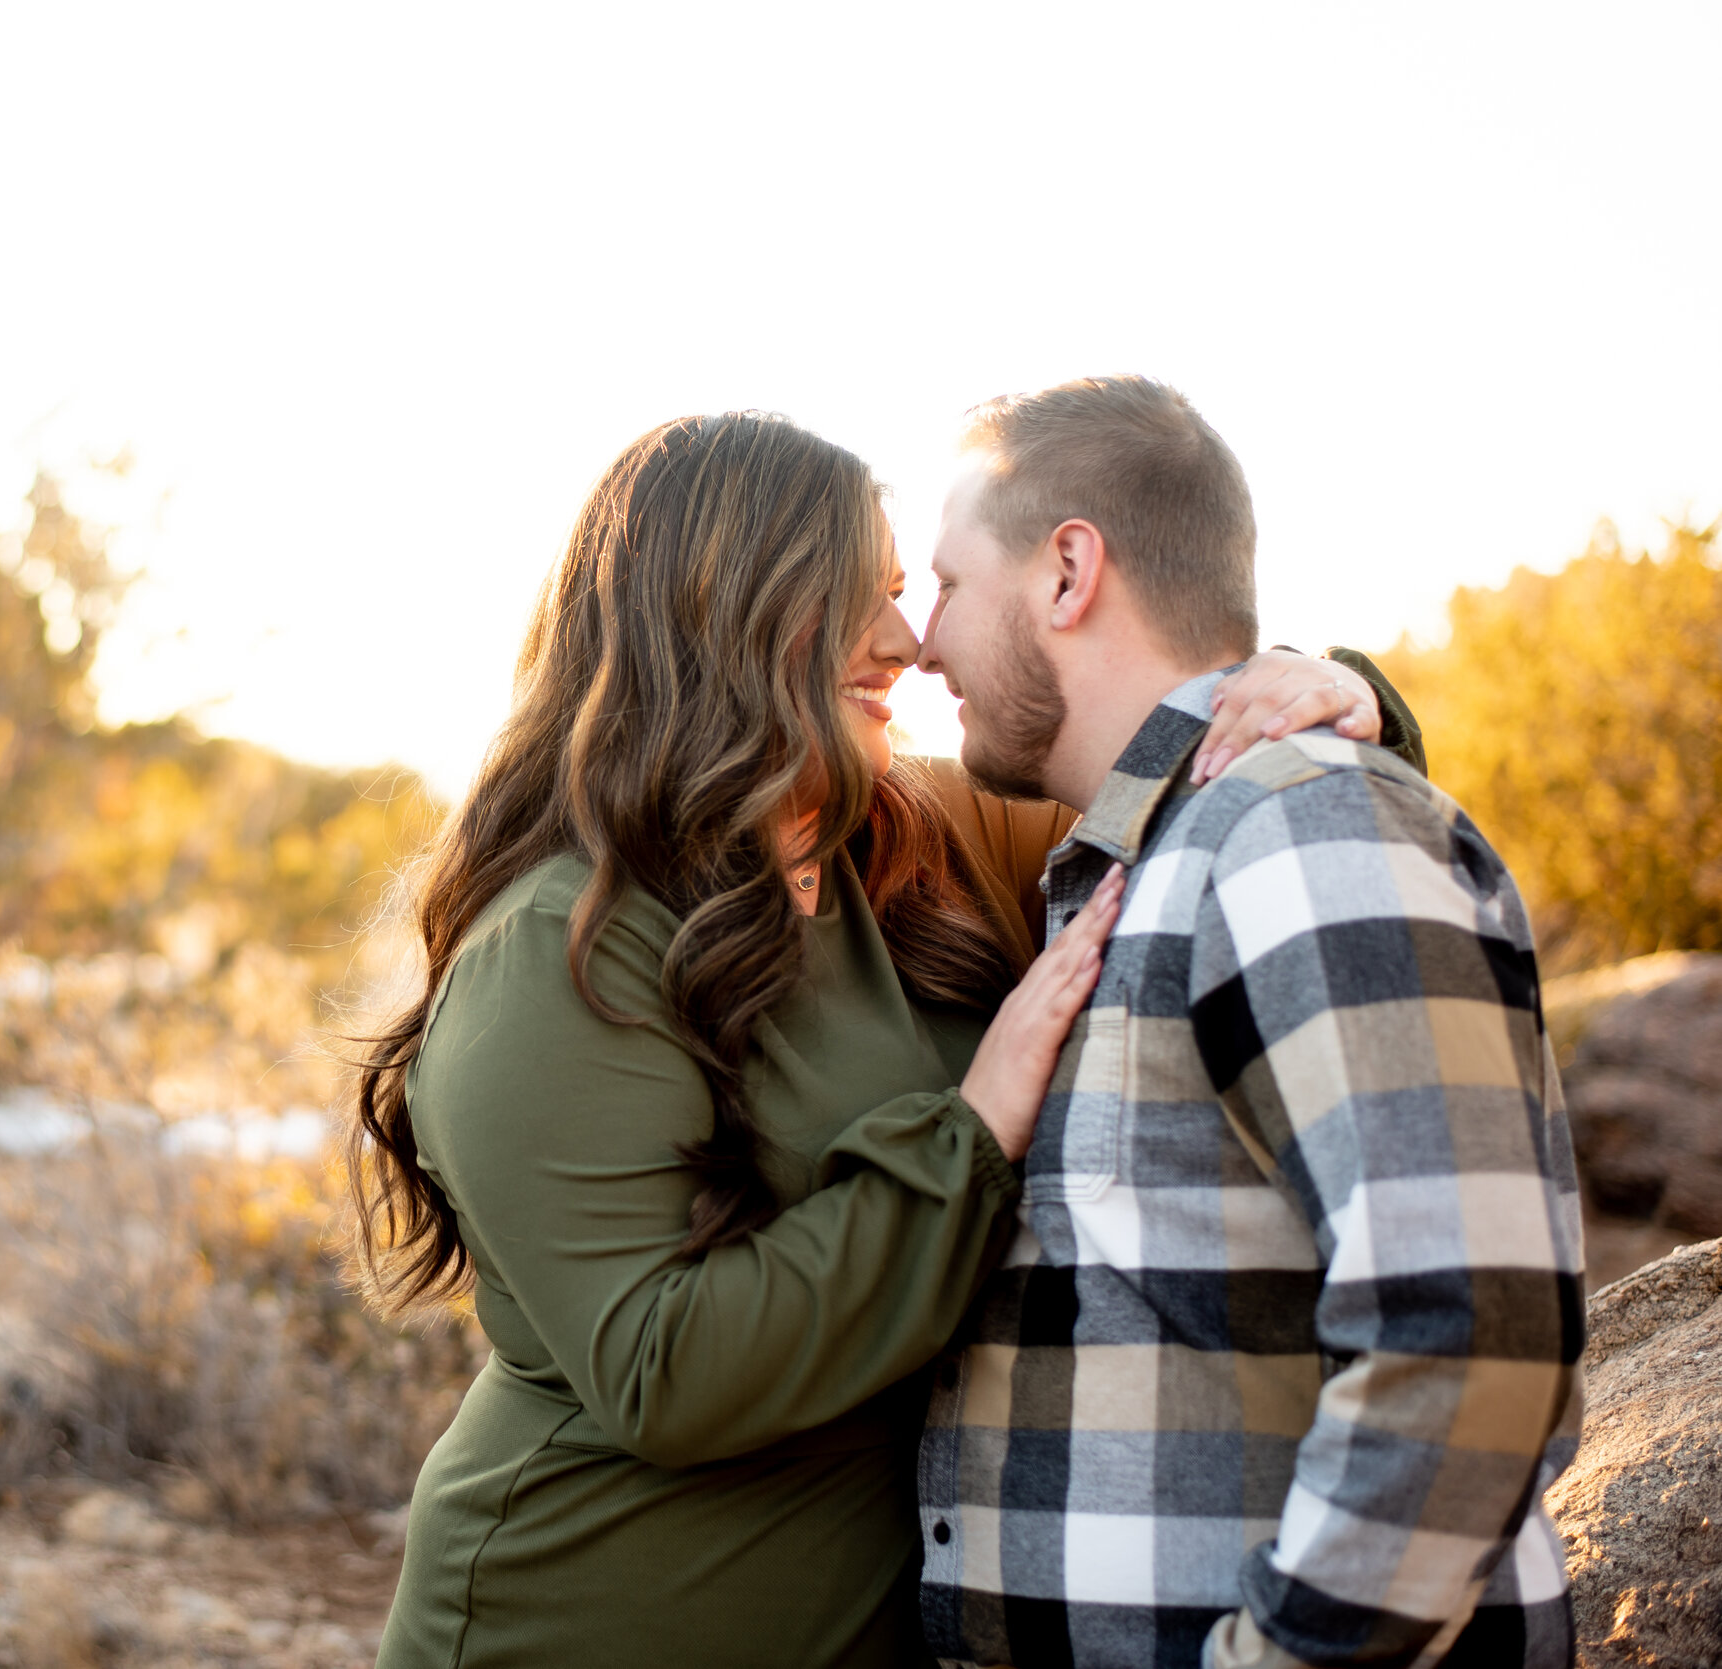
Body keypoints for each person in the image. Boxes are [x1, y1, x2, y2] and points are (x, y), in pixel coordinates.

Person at [346, 412, 1413, 1668]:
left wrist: (1336, 688)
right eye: (860, 600)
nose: (906, 643)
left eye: (909, 595)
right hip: (586, 1614)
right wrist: (973, 1128)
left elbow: (1176, 765)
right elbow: (665, 1368)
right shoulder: (555, 949)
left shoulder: (921, 832)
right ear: (722, 607)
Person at [909, 376, 1582, 1669]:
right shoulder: (1130, 867)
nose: (923, 638)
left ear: (1067, 572)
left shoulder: (1292, 826)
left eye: (947, 582)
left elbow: (1475, 1331)